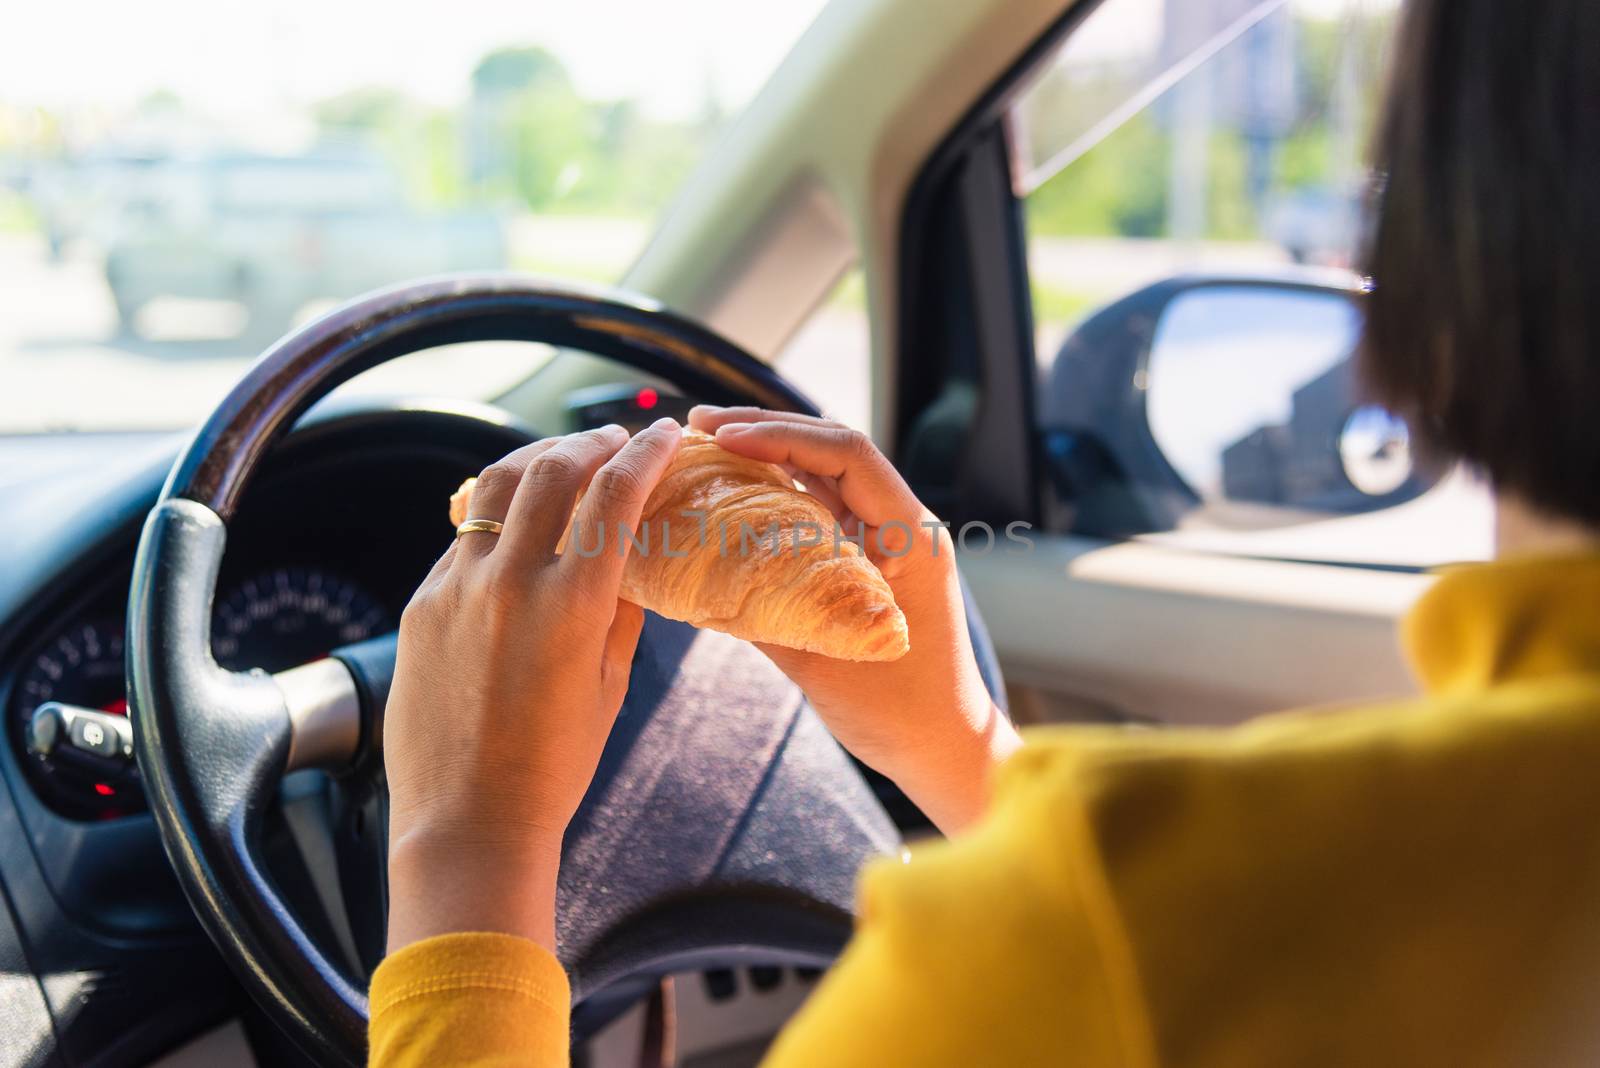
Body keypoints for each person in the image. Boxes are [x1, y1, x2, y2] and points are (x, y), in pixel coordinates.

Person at [368, 0, 1600, 1063]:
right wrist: (962, 750)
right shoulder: (1375, 894)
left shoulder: (1097, 932)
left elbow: (1177, 961)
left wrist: (462, 858)